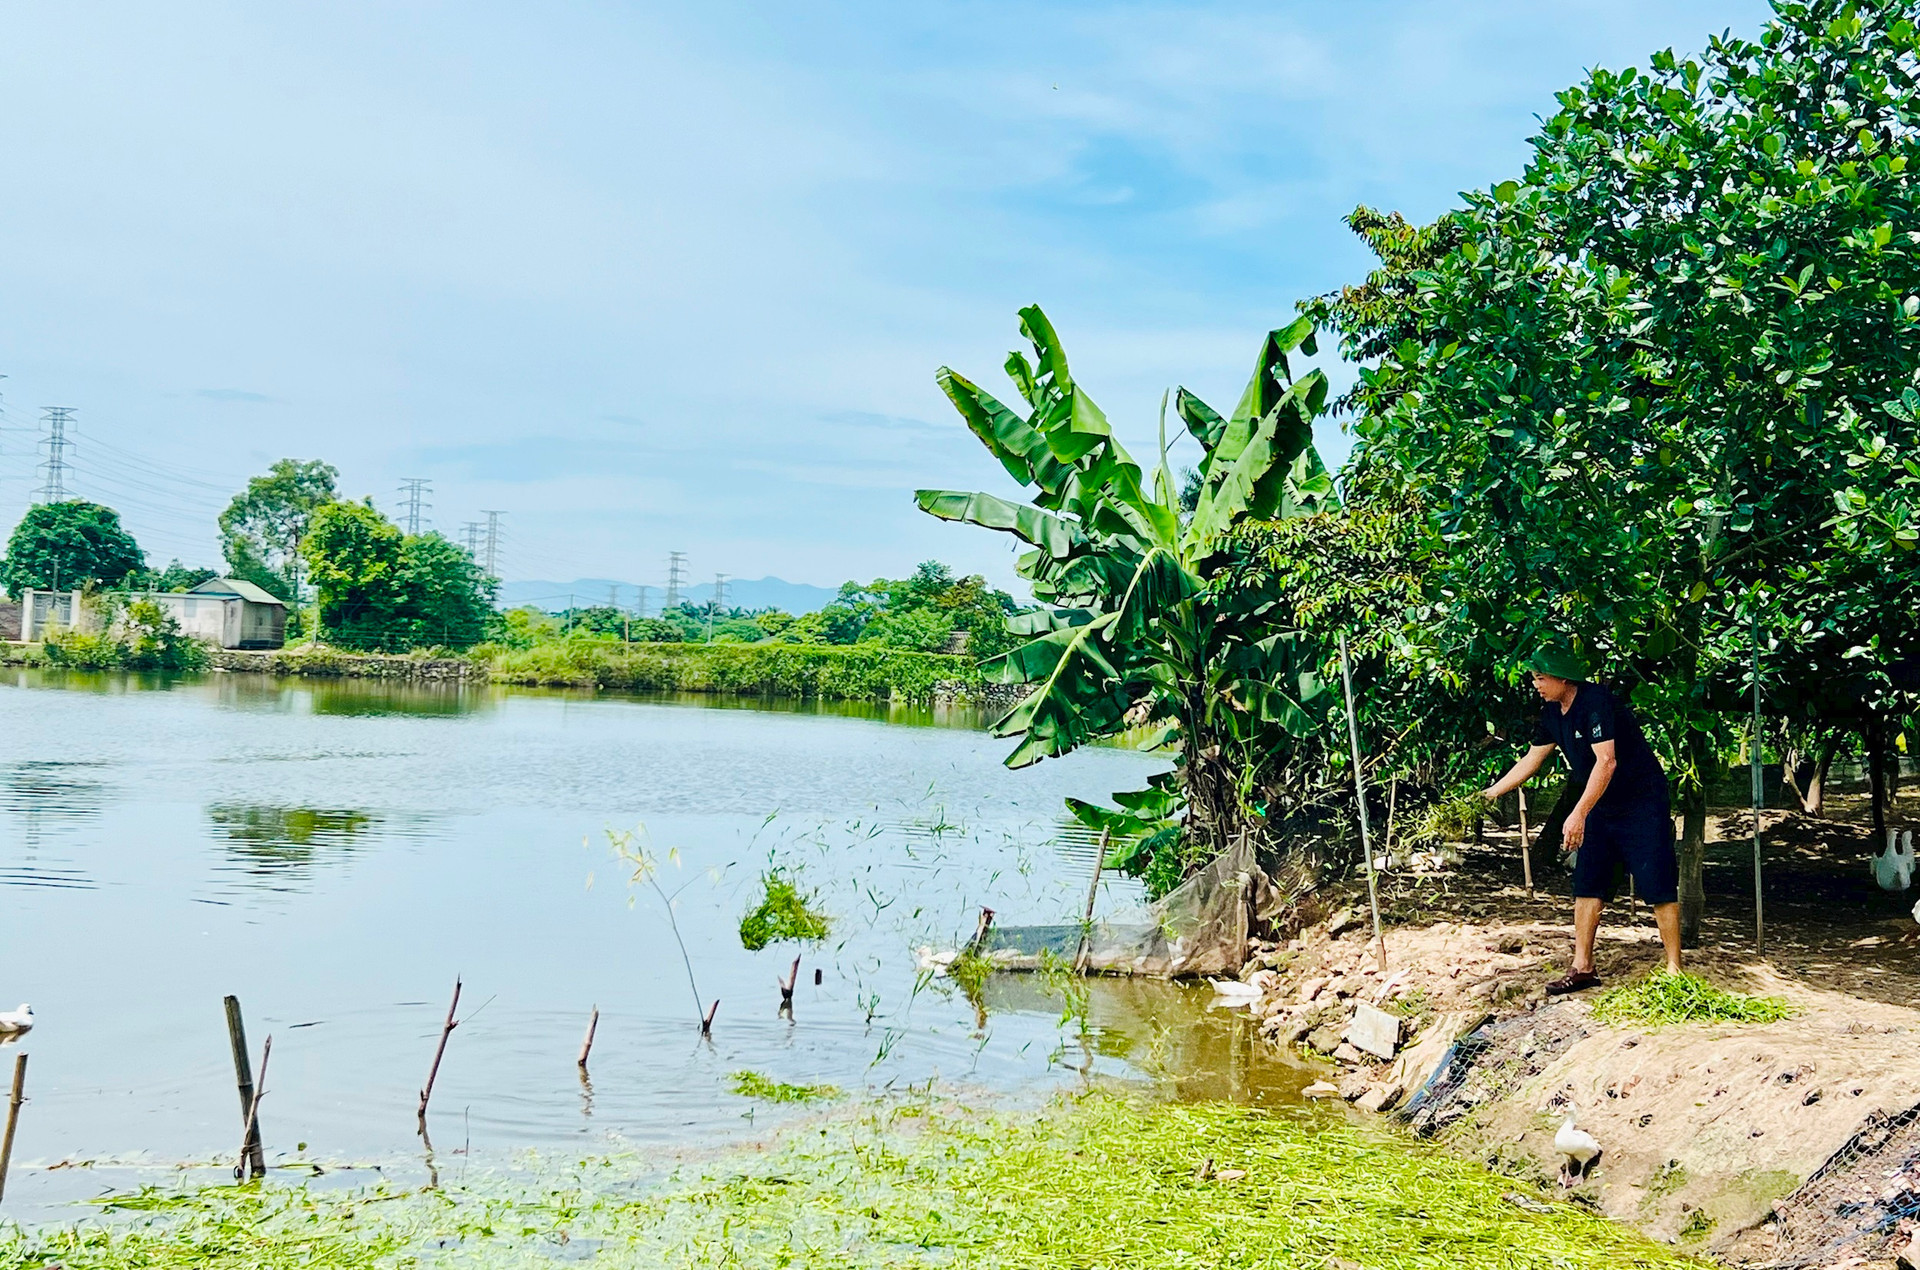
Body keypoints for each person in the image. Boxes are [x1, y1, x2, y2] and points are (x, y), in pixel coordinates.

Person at [1480, 645, 1682, 993]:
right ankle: (1583, 967)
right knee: (1588, 883)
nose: (1536, 684)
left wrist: (1578, 813)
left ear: (1562, 677)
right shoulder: (1551, 713)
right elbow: (1532, 759)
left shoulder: (1596, 701)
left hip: (1641, 801)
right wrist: (1488, 795)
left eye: (1541, 677)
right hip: (1601, 804)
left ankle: (1674, 969)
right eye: (1534, 678)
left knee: (1657, 882)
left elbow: (1607, 762)